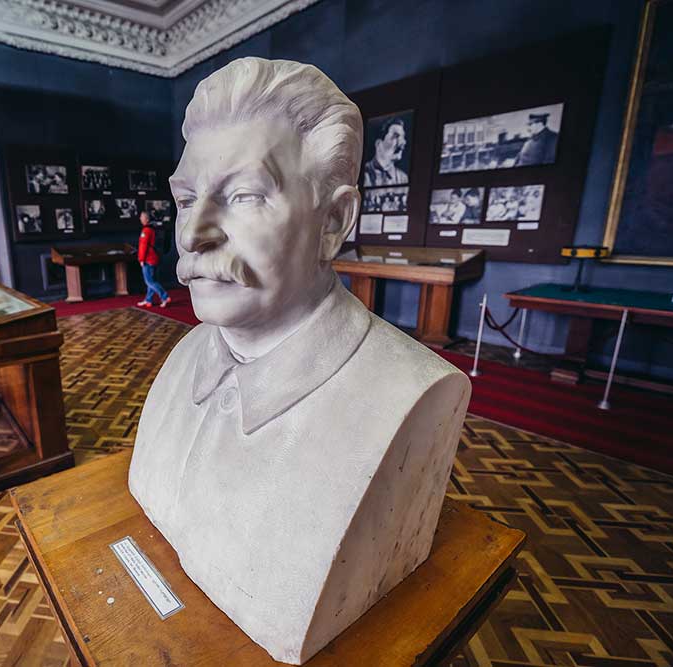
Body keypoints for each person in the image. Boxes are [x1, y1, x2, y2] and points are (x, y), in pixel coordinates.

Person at [128, 57, 470, 665]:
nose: (193, 234)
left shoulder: (408, 392)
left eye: (243, 196)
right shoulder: (184, 358)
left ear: (333, 222)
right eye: (186, 199)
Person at [361, 116, 408, 186]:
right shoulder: (362, 174)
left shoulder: (403, 178)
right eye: (396, 136)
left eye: (403, 137)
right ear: (378, 144)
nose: (403, 142)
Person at [136, 211, 170, 307]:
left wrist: (141, 259)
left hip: (148, 259)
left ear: (146, 219)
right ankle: (148, 300)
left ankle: (165, 296)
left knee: (149, 281)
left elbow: (143, 246)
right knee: (152, 280)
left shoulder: (146, 231)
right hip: (155, 258)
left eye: (142, 217)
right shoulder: (153, 229)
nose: (140, 218)